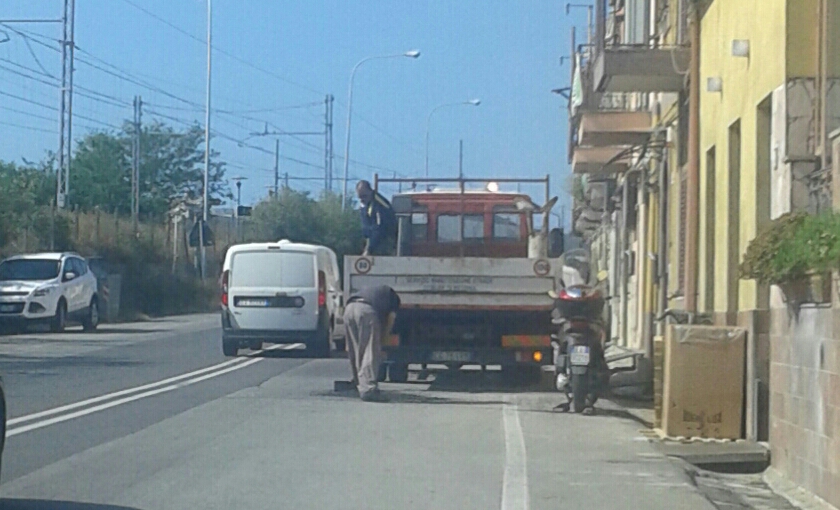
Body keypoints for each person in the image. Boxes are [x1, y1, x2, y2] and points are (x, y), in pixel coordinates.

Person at [343, 284, 401, 402]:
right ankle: (368, 389)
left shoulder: (374, 292)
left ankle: (358, 382)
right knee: (370, 351)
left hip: (349, 308)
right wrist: (383, 342)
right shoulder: (395, 300)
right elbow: (390, 319)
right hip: (366, 311)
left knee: (356, 349)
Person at [356, 180, 397, 256]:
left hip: (384, 243)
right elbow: (366, 226)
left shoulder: (380, 204)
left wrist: (369, 249)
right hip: (372, 243)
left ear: (370, 192)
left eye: (364, 196)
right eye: (360, 197)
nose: (362, 199)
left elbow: (380, 228)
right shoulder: (365, 204)